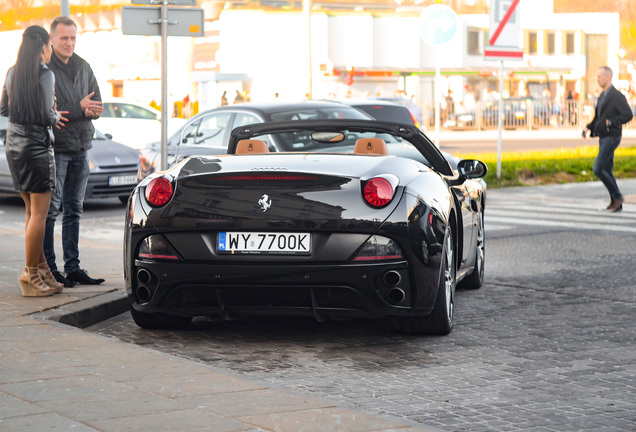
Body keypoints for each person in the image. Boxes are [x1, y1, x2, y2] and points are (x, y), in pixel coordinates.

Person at [0, 25, 68, 296]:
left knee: (32, 213)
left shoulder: (13, 71)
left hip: (14, 146)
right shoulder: (45, 74)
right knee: (39, 215)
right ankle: (30, 275)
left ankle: (41, 270)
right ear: (42, 46)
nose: (51, 50)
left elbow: (4, 108)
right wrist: (55, 116)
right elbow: (45, 114)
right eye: (50, 45)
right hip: (37, 148)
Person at [43, 16, 105, 286]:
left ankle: (73, 267)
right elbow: (53, 112)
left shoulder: (83, 65)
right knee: (51, 209)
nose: (69, 43)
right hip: (57, 149)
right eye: (64, 38)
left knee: (75, 210)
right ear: (52, 39)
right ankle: (50, 268)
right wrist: (80, 108)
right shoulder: (45, 69)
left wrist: (85, 108)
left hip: (82, 146)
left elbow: (97, 104)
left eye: (73, 38)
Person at [583, 66, 633, 212]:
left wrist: (610, 122)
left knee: (597, 168)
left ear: (608, 77)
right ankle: (616, 202)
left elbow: (628, 115)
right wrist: (588, 127)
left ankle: (617, 196)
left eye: (600, 76)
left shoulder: (616, 96)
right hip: (603, 136)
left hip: (612, 136)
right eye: (597, 76)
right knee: (607, 170)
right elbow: (598, 117)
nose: (597, 79)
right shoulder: (602, 95)